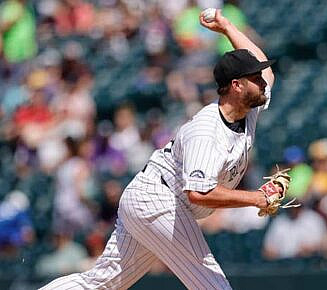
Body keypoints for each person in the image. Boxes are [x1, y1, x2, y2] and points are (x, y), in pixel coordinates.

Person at [40, 9, 277, 289]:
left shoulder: (250, 109)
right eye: (255, 78)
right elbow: (199, 193)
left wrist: (227, 28)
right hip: (159, 201)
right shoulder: (207, 130)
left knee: (102, 283)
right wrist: (256, 198)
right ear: (236, 86)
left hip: (152, 199)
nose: (263, 81)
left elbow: (267, 68)